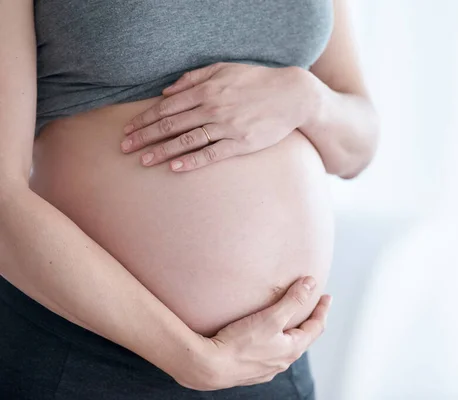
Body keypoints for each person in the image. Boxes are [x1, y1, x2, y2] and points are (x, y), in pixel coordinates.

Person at [0, 0, 379, 398]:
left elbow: (358, 146)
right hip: (89, 357)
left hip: (270, 362)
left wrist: (310, 99)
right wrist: (193, 359)